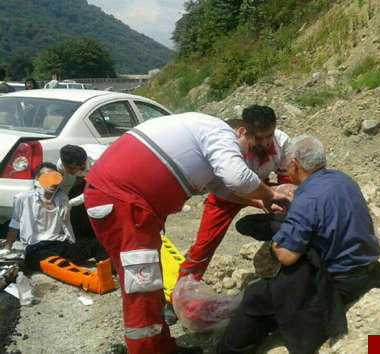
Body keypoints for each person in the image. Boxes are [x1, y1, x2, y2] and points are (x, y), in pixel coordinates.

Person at [83, 112, 291, 354]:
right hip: (123, 202)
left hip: (129, 203)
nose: (248, 155)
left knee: (149, 283)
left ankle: (162, 347)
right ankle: (148, 351)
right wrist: (271, 194)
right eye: (250, 146)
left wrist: (259, 202)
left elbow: (221, 188)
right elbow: (236, 178)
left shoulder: (203, 133)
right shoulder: (220, 132)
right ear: (240, 131)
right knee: (142, 286)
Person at [216, 136, 380, 354]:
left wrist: (278, 237)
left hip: (344, 280)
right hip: (371, 269)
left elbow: (286, 256)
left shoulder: (307, 198)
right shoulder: (344, 179)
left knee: (258, 298)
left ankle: (226, 351)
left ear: (294, 164)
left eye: (287, 162)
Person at [175, 105, 294, 282]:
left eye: (269, 136)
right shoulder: (229, 143)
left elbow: (286, 179)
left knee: (292, 202)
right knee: (205, 244)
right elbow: (225, 183)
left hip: (261, 185)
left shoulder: (283, 142)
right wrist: (261, 201)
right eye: (258, 138)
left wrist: (283, 201)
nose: (264, 143)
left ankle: (288, 273)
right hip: (225, 193)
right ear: (245, 131)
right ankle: (182, 287)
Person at [0, 162, 114, 294]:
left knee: (97, 244)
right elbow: (15, 224)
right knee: (59, 265)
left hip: (62, 245)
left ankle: (113, 272)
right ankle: (94, 282)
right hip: (38, 249)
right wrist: (7, 248)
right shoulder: (23, 198)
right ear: (37, 179)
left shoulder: (62, 198)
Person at [57, 144, 107, 240]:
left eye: (71, 168)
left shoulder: (100, 162)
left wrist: (71, 203)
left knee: (95, 206)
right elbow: (60, 185)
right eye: (65, 166)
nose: (66, 170)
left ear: (83, 164)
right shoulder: (61, 163)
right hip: (82, 177)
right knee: (74, 207)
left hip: (105, 180)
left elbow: (95, 191)